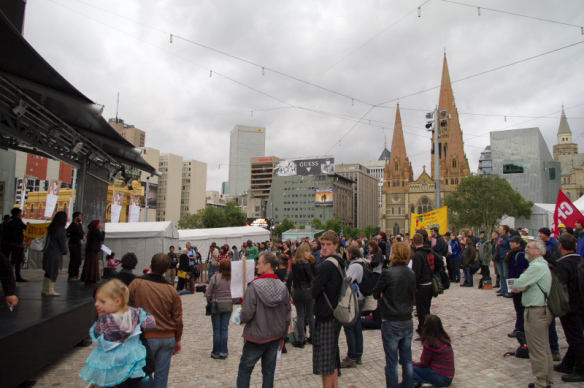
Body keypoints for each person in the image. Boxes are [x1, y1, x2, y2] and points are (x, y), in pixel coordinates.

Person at [80, 279, 156, 387]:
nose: (97, 304)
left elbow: (148, 365)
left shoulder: (132, 317)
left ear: (117, 301)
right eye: (96, 301)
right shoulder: (109, 319)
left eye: (102, 301)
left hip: (134, 379)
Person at [236, 252, 291, 388]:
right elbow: (287, 314)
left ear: (268, 265)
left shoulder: (254, 286)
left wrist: (240, 316)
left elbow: (247, 314)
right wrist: (283, 336)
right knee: (269, 371)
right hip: (275, 335)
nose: (257, 266)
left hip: (256, 336)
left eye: (259, 263)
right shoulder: (282, 287)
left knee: (245, 369)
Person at [129, 253, 183, 388]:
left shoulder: (136, 284)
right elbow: (178, 319)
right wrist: (177, 339)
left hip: (145, 336)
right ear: (166, 270)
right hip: (167, 337)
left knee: (144, 375)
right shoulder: (171, 290)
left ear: (151, 265)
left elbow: (127, 308)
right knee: (162, 375)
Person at [373, 242, 416, 388]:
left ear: (394, 254)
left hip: (391, 319)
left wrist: (383, 295)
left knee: (392, 362)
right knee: (407, 360)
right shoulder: (411, 273)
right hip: (407, 318)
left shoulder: (388, 272)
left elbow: (375, 293)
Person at [512, 240, 553, 388]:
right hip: (540, 309)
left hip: (536, 311)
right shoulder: (540, 265)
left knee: (536, 349)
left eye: (529, 247)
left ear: (539, 251)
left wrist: (522, 285)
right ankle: (547, 379)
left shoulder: (536, 266)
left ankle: (541, 382)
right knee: (543, 347)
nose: (526, 250)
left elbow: (518, 284)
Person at [310, 230, 345, 388]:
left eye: (328, 245)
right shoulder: (339, 262)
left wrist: (320, 286)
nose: (324, 247)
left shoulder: (327, 265)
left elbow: (313, 291)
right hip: (336, 312)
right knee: (332, 357)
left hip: (326, 314)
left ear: (336, 246)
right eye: (323, 244)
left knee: (325, 360)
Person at [554, 233, 584, 383]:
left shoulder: (562, 264)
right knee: (577, 336)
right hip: (581, 303)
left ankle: (581, 369)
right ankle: (568, 363)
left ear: (560, 246)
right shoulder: (581, 260)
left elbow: (560, 286)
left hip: (570, 306)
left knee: (575, 338)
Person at [341, 245, 367, 368]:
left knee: (350, 327)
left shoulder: (355, 265)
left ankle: (352, 356)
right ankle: (357, 355)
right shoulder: (361, 263)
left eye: (347, 252)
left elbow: (347, 281)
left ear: (351, 254)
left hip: (355, 299)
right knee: (356, 327)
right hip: (359, 298)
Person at [413, 314, 455, 387]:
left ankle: (423, 383)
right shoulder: (445, 338)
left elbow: (424, 364)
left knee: (408, 369)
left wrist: (412, 363)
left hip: (439, 377)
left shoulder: (429, 342)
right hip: (449, 378)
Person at [292, 243, 315, 347]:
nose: (309, 253)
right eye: (307, 251)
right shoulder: (307, 264)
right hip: (307, 290)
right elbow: (311, 279)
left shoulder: (294, 264)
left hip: (297, 291)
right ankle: (313, 336)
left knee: (300, 315)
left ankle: (301, 339)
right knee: (310, 314)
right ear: (302, 253)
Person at [41, 211, 68, 297]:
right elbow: (62, 242)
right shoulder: (61, 229)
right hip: (55, 252)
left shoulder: (52, 228)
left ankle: (45, 289)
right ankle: (50, 290)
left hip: (48, 251)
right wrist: (65, 250)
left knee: (48, 270)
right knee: (53, 270)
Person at [411, 233, 434, 336]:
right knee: (426, 308)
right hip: (429, 284)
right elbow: (439, 263)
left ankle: (424, 332)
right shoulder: (429, 251)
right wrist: (431, 273)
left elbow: (416, 273)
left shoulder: (418, 255)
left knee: (422, 311)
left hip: (422, 286)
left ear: (413, 242)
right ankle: (423, 327)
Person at [507, 236, 529, 338]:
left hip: (517, 284)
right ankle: (519, 328)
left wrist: (517, 286)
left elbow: (520, 272)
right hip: (513, 282)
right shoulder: (514, 253)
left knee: (520, 309)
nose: (510, 243)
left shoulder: (520, 254)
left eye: (513, 242)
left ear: (519, 244)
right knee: (518, 308)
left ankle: (520, 329)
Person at [1, 208, 28, 282]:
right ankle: (8, 276)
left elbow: (25, 227)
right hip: (13, 245)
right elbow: (12, 235)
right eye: (20, 213)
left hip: (19, 244)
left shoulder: (19, 221)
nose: (21, 215)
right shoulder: (11, 223)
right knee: (12, 261)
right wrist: (18, 242)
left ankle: (18, 276)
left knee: (18, 261)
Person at [81, 220, 105, 286]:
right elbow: (101, 238)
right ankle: (92, 278)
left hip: (90, 249)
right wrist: (103, 231)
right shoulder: (96, 231)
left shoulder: (91, 230)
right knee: (93, 264)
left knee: (89, 264)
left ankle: (89, 278)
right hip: (94, 250)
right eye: (99, 223)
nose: (101, 224)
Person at [66, 211, 84, 282]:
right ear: (76, 217)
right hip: (73, 244)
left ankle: (76, 274)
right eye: (80, 216)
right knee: (74, 259)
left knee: (78, 259)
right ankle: (71, 275)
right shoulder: (72, 225)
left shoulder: (79, 225)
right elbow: (67, 233)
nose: (81, 218)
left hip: (78, 243)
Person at [495, 225, 511, 296]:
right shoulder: (499, 238)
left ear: (505, 230)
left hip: (504, 257)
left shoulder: (508, 238)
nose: (499, 229)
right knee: (501, 274)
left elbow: (510, 247)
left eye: (500, 229)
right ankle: (503, 289)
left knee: (505, 274)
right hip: (498, 257)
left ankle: (508, 290)